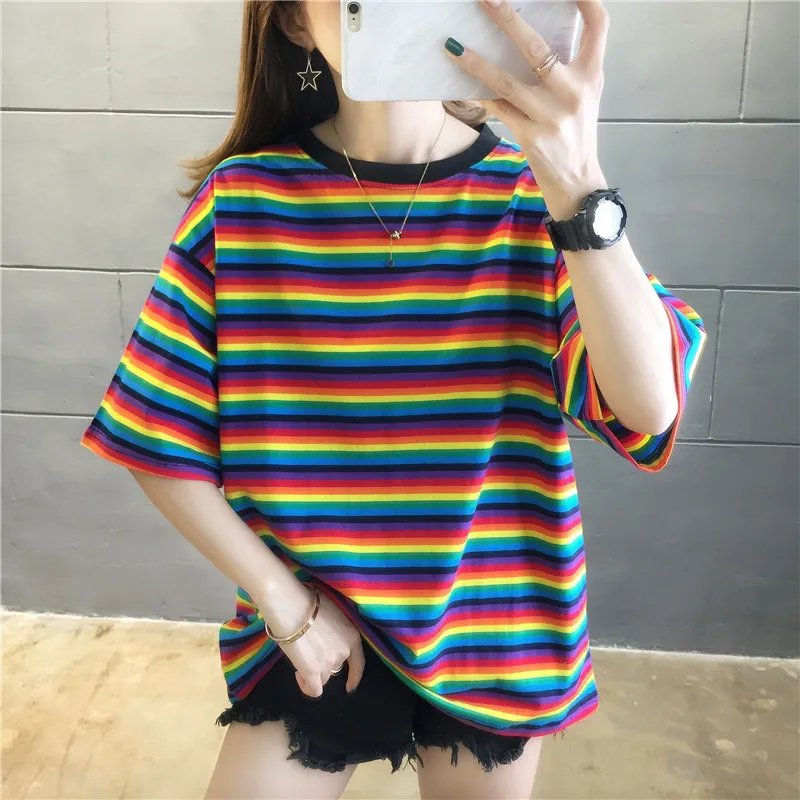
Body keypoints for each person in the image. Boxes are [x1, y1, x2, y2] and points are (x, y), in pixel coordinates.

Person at [80, 0, 707, 797]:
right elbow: (152, 433)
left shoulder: (537, 200)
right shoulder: (241, 204)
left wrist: (578, 179)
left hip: (499, 622)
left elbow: (648, 408)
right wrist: (286, 606)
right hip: (315, 617)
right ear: (295, 23)